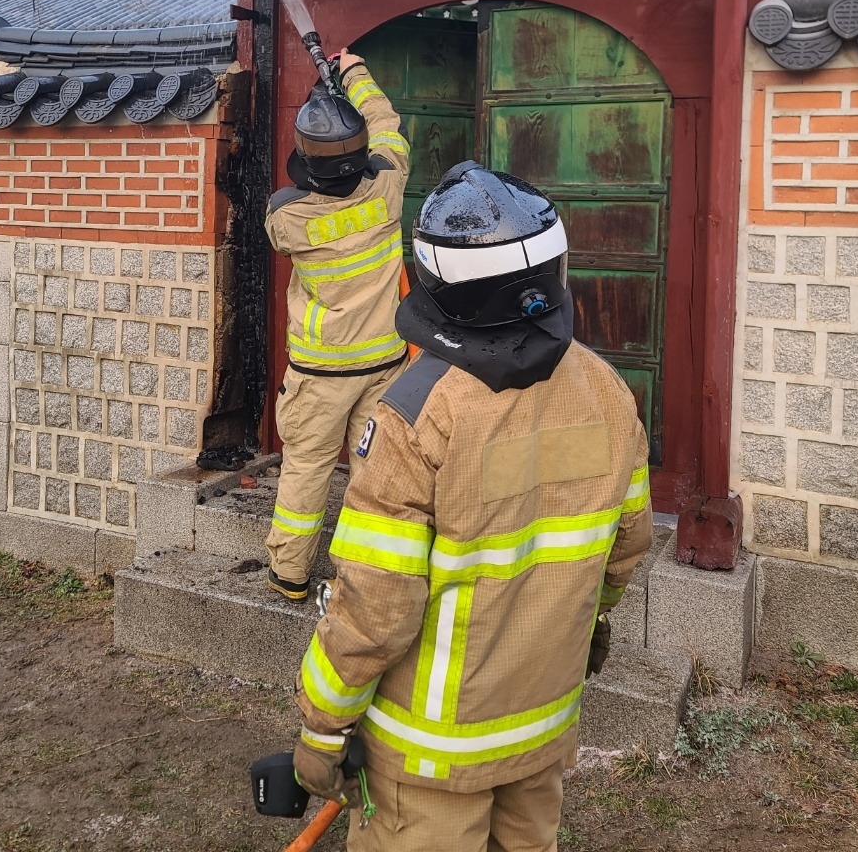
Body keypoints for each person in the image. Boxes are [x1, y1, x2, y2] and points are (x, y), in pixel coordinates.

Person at [290, 161, 652, 850]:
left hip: (429, 761)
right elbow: (625, 545)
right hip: (540, 732)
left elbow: (374, 605)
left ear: (434, 283)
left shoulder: (416, 414)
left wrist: (321, 726)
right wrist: (594, 617)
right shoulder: (607, 393)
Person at [263, 48, 411, 602]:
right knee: (373, 477)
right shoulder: (390, 185)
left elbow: (296, 197)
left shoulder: (287, 217)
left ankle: (289, 575)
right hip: (385, 365)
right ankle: (359, 577)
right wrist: (351, 71)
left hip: (319, 374)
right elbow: (387, 128)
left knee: (306, 470)